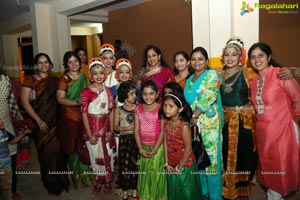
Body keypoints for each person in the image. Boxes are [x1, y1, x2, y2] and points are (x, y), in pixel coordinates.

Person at [248, 42, 300, 200]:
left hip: (283, 131)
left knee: (282, 167)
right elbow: (258, 107)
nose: (257, 60)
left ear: (269, 57)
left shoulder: (280, 74)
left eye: (261, 56)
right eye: (253, 57)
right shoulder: (254, 82)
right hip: (264, 132)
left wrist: (292, 125)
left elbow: (297, 99)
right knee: (269, 166)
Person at [21, 53, 69, 195]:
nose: (43, 65)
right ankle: (51, 185)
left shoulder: (54, 80)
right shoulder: (30, 80)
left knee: (58, 153)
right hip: (40, 123)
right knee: (46, 155)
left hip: (55, 122)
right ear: (36, 65)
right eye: (40, 62)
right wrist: (38, 121)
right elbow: (24, 102)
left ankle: (61, 181)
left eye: (46, 62)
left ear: (50, 64)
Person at [184, 47, 224, 200]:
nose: (197, 62)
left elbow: (209, 96)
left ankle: (215, 196)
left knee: (212, 161)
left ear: (207, 61)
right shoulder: (189, 80)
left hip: (210, 124)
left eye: (200, 59)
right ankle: (204, 192)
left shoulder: (212, 75)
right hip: (195, 126)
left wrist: (195, 115)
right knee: (200, 157)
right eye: (193, 59)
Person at [220, 37, 257, 200]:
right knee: (227, 155)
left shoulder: (248, 73)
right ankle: (229, 190)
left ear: (240, 56)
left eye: (233, 54)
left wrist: (294, 71)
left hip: (244, 124)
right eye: (226, 54)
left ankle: (243, 191)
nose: (229, 58)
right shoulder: (217, 76)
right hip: (227, 123)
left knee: (245, 156)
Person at [57, 51, 93, 190]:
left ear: (80, 62)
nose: (73, 64)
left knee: (83, 147)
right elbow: (60, 99)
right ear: (66, 64)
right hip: (69, 119)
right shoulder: (64, 79)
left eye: (76, 61)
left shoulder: (84, 77)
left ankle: (86, 176)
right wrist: (76, 102)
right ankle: (77, 179)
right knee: (72, 148)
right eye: (70, 62)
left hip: (84, 117)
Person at [159, 90, 203, 200]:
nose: (166, 109)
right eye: (165, 105)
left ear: (180, 109)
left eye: (171, 106)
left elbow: (188, 149)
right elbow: (165, 143)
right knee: (174, 192)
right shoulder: (166, 123)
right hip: (171, 164)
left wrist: (180, 166)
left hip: (185, 165)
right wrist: (166, 163)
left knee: (186, 192)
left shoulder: (184, 126)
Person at [81, 58, 115, 195]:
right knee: (95, 156)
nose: (99, 75)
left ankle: (107, 181)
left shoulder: (109, 91)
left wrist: (111, 131)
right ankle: (97, 181)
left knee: (109, 156)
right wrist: (90, 135)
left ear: (105, 74)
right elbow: (83, 114)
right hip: (92, 131)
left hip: (106, 129)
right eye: (95, 73)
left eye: (101, 72)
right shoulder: (86, 92)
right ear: (91, 75)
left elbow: (111, 112)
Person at [134, 80, 167, 200]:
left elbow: (163, 131)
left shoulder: (161, 109)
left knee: (155, 174)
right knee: (146, 173)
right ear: (141, 95)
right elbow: (136, 130)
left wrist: (155, 149)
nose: (148, 97)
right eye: (145, 94)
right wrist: (141, 149)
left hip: (157, 147)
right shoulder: (138, 109)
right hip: (143, 147)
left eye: (151, 93)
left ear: (157, 94)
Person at [0, 71, 24, 200]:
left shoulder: (5, 80)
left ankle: (12, 190)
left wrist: (21, 121)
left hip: (6, 127)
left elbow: (12, 104)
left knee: (11, 161)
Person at [113, 81, 138, 199]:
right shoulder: (118, 109)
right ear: (124, 95)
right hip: (125, 140)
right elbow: (115, 127)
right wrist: (126, 128)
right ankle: (125, 189)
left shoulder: (138, 108)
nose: (134, 96)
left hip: (137, 139)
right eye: (131, 93)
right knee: (125, 165)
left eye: (135, 93)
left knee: (136, 164)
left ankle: (135, 189)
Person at [0, 118, 30, 200]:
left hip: (7, 165)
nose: (2, 122)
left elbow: (13, 141)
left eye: (1, 120)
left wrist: (23, 134)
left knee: (7, 185)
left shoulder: (5, 132)